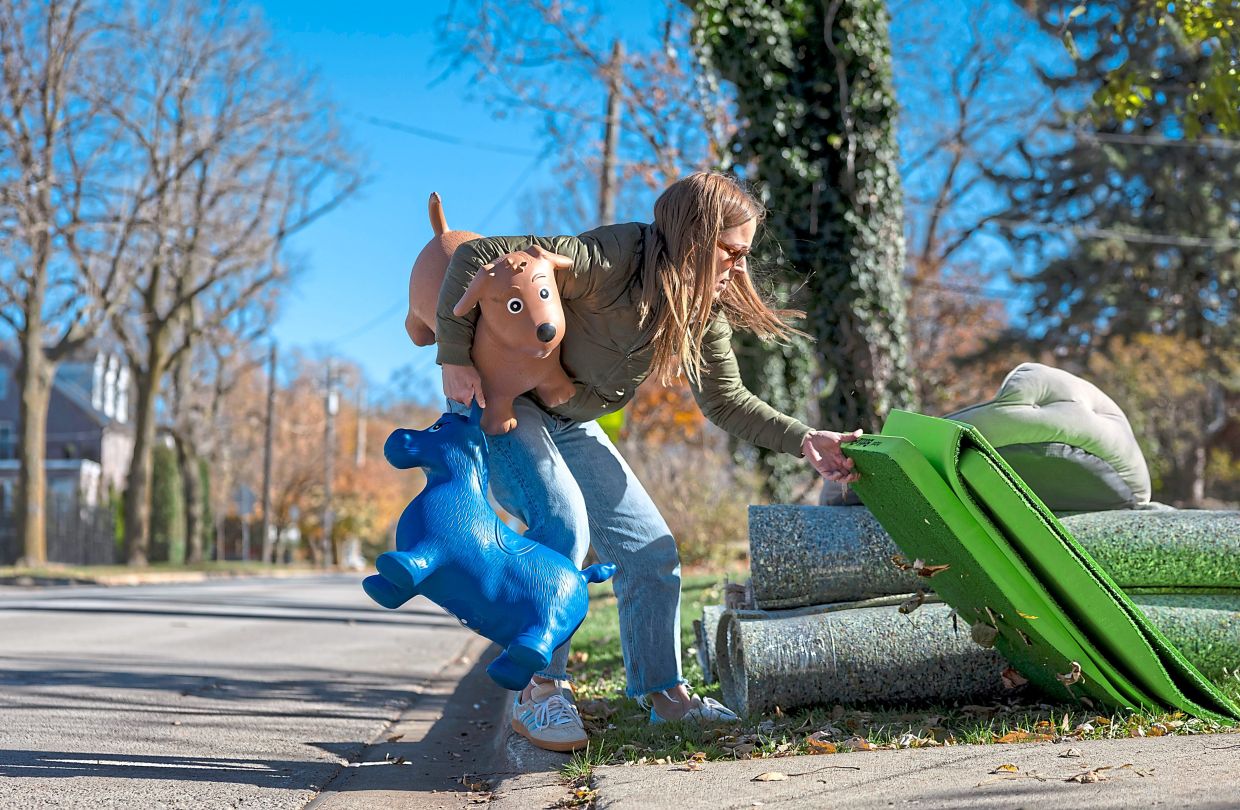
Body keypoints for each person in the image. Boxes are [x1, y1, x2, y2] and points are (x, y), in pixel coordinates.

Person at [435, 172, 862, 753]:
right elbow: (483, 256)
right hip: (506, 404)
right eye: (731, 251)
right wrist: (453, 357)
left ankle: (665, 696)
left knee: (651, 551)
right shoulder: (613, 256)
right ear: (693, 234)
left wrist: (806, 437)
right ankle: (539, 692)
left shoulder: (699, 308)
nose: (738, 266)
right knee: (562, 521)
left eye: (744, 254)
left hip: (571, 417)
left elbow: (727, 400)